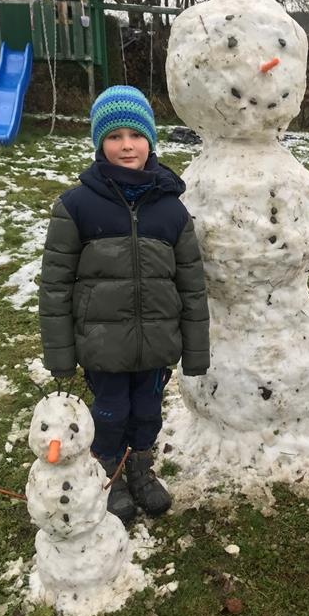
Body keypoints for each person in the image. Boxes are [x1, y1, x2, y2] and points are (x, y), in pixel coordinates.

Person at [39, 85, 210, 524]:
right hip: (102, 345)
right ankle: (107, 472)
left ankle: (140, 467)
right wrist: (60, 352)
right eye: (114, 135)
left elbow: (191, 285)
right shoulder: (76, 206)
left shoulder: (172, 210)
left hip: (156, 343)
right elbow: (55, 284)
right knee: (110, 412)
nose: (126, 145)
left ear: (151, 140)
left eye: (135, 134)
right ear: (99, 142)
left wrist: (195, 349)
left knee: (148, 412)